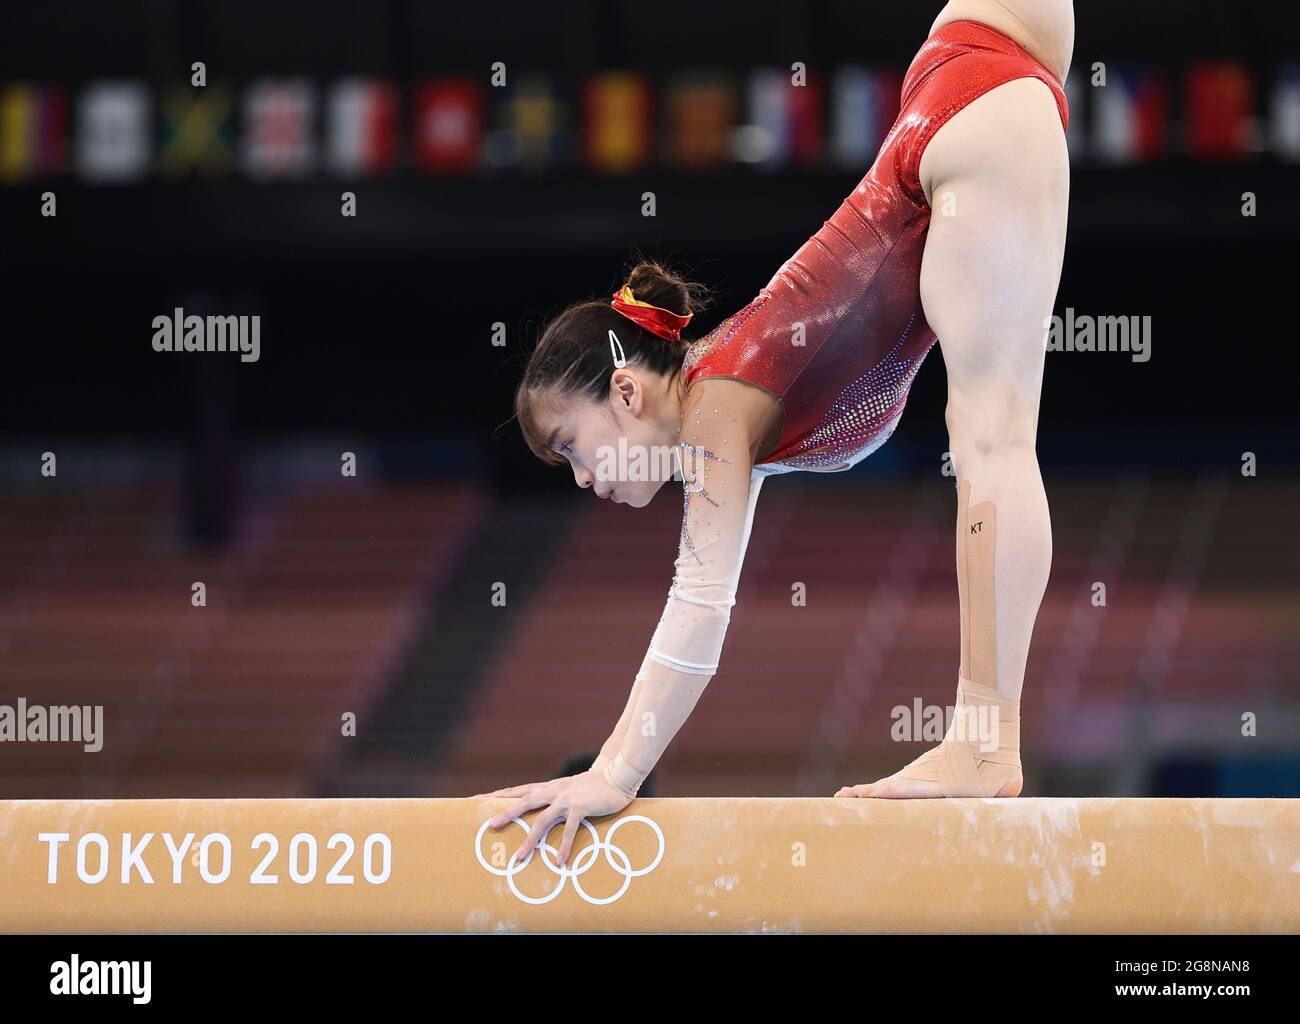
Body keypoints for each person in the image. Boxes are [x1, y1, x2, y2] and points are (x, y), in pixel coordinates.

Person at [482, 0, 1075, 866]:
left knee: (993, 442)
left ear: (624, 392)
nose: (579, 479)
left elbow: (699, 605)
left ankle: (985, 738)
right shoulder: (734, 409)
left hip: (964, 118)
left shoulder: (717, 409)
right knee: (990, 439)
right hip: (969, 86)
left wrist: (614, 775)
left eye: (570, 445)